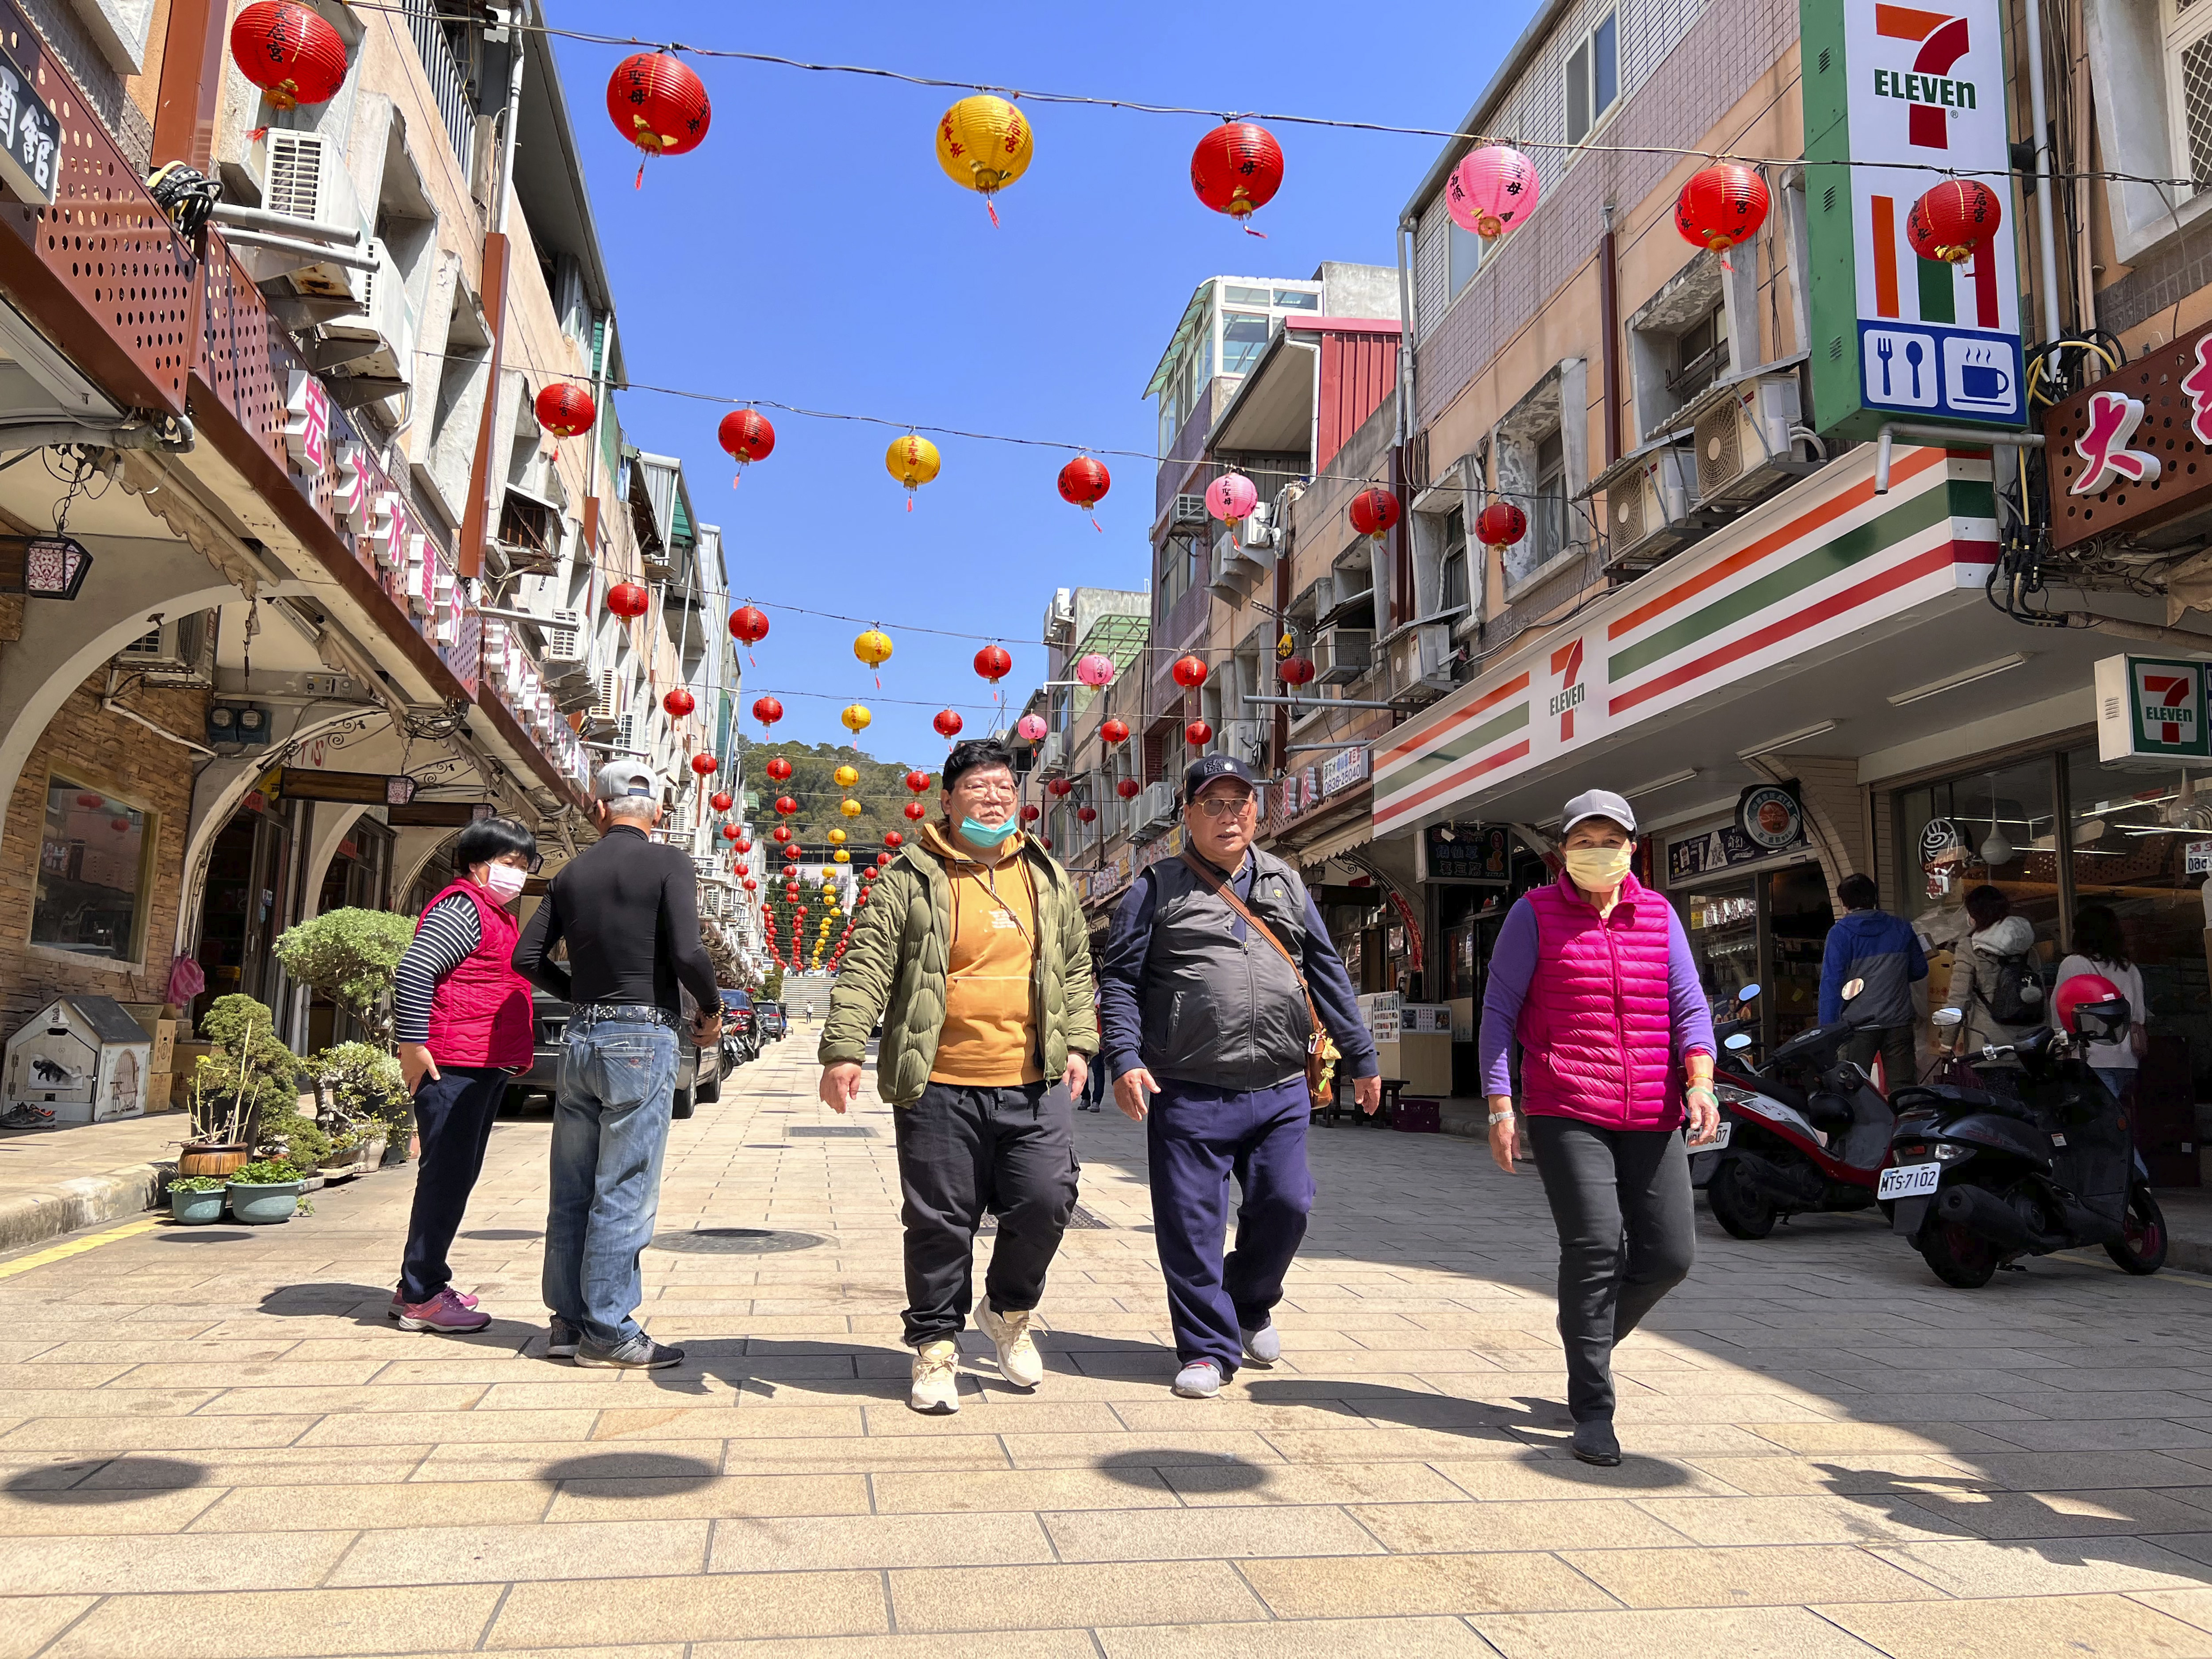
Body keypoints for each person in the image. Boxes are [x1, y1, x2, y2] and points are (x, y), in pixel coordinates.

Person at [817, 737, 1098, 1415]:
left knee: (1048, 1199)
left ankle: (1006, 1310)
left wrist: (1082, 1045)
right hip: (939, 1079)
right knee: (941, 1220)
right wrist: (843, 1049)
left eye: (1004, 786)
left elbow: (1077, 965)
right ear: (946, 801)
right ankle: (936, 1345)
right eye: (977, 787)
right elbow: (867, 963)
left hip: (1033, 1080)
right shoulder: (910, 876)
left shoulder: (1047, 874)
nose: (994, 797)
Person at [1100, 755, 1380, 1401]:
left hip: (1279, 1084)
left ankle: (1250, 1303)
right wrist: (1125, 1057)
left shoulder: (1285, 880)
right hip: (1187, 1085)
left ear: (1257, 810)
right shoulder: (1156, 886)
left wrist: (1362, 1057)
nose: (1230, 815)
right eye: (1214, 804)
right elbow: (1119, 980)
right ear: (1188, 816)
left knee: (1288, 1204)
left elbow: (1328, 972)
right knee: (1191, 1224)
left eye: (1241, 803)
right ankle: (1205, 1347)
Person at [1478, 790, 1719, 1467]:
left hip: (1652, 1109)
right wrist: (1502, 1104)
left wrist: (1700, 1081)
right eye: (1584, 840)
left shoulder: (1660, 915)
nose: (1597, 851)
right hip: (1567, 1105)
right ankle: (1593, 1407)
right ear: (1562, 851)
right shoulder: (1534, 915)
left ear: (1632, 848)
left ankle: (1588, 1335)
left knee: (1671, 1255)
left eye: (1609, 839)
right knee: (1593, 1247)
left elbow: (1691, 1008)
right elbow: (1499, 1013)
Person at [512, 761, 721, 1369]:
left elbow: (528, 956)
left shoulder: (571, 872)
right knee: (623, 1184)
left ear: (598, 810)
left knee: (573, 1182)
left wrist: (576, 993)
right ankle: (609, 1329)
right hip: (641, 1035)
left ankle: (566, 1322)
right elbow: (686, 950)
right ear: (656, 813)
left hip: (581, 1037)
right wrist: (709, 1009)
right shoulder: (669, 864)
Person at [388, 815, 541, 1333]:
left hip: (480, 1061)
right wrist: (411, 1043)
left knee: (455, 1176)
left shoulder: (492, 913)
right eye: (508, 864)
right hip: (452, 1061)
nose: (517, 875)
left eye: (523, 866)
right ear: (477, 866)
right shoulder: (462, 908)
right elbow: (415, 970)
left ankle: (420, 1281)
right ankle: (422, 1297)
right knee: (447, 1177)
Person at [1819, 872, 1928, 1093]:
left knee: (1850, 1090)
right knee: (1905, 1090)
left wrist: (1827, 1031)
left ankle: (1863, 1128)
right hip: (1898, 1022)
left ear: (1844, 902)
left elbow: (1832, 985)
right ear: (1874, 897)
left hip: (1857, 1026)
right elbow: (1920, 970)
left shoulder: (1840, 934)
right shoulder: (1902, 928)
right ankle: (1908, 1126)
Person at [1936, 883, 2043, 1057]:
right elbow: (2040, 994)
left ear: (1974, 916)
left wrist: (1947, 1042)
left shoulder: (1969, 948)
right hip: (2031, 1041)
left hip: (1990, 1044)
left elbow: (1958, 1000)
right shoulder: (2027, 947)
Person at [2055, 904, 2147, 1100]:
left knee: (2101, 1123)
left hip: (2091, 1058)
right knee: (2120, 1119)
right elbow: (2139, 1016)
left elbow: (2061, 1013)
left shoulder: (2075, 964)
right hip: (2128, 1059)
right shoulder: (2130, 968)